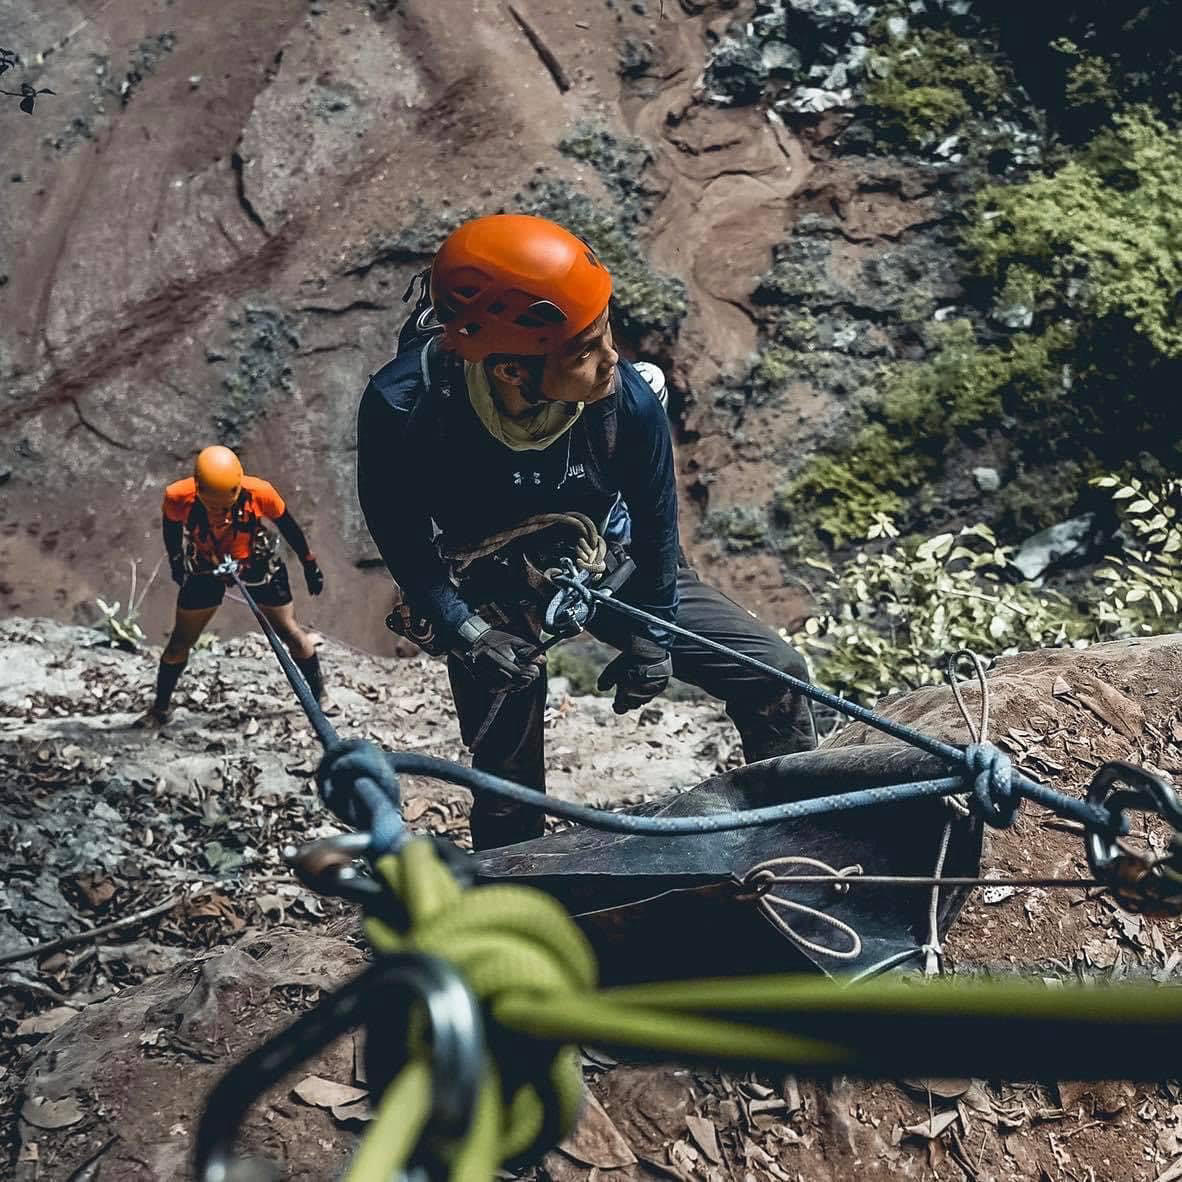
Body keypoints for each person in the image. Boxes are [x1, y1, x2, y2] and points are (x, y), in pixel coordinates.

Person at [356, 213, 815, 850]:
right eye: (584, 349)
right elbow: (399, 531)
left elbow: (658, 530)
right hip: (487, 577)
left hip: (608, 551)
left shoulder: (627, 402)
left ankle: (798, 837)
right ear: (512, 370)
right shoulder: (405, 406)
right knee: (507, 775)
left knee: (774, 671)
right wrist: (467, 628)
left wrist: (653, 637)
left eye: (605, 335)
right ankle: (514, 899)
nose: (612, 361)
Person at [139, 445, 328, 725]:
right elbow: (171, 530)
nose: (221, 512)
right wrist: (177, 562)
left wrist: (309, 562)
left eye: (226, 505)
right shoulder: (179, 497)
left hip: (256, 563)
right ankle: (160, 709)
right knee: (179, 641)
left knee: (289, 631)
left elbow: (288, 526)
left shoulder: (259, 492)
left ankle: (319, 696)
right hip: (206, 565)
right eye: (214, 506)